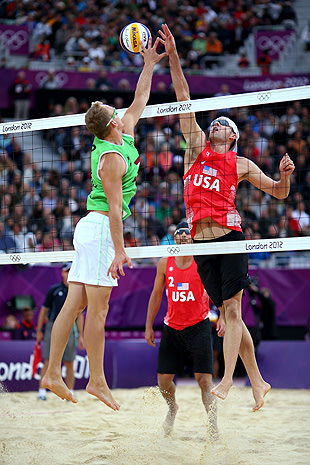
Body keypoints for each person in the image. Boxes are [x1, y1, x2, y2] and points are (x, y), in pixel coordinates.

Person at [159, 24, 295, 410]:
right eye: (214, 121)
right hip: (201, 243)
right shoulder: (195, 148)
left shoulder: (240, 163)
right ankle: (259, 381)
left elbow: (279, 193)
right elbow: (183, 96)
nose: (215, 124)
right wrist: (173, 56)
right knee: (229, 313)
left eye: (223, 124)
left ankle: (227, 380)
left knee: (232, 311)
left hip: (230, 236)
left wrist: (284, 177)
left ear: (232, 136)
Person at [42, 37, 167, 410]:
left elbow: (141, 100)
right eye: (116, 108)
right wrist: (121, 250)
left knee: (75, 304)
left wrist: (149, 64)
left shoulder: (123, 132)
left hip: (92, 228)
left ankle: (51, 373)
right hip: (99, 230)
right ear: (112, 121)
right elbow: (115, 209)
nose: (122, 109)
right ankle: (96, 380)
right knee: (97, 311)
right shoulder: (112, 156)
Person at [145, 221, 225, 437]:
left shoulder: (202, 262)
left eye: (186, 233)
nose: (182, 236)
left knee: (204, 380)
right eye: (178, 233)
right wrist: (148, 325)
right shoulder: (165, 262)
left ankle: (212, 426)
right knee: (163, 381)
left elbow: (217, 290)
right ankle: (172, 407)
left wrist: (224, 316)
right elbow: (155, 295)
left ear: (193, 237)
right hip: (172, 328)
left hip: (198, 326)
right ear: (174, 238)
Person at [36, 263, 85, 401]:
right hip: (52, 327)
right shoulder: (54, 289)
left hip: (70, 328)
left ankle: (70, 391)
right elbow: (44, 311)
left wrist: (81, 335)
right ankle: (42, 392)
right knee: (47, 361)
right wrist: (39, 330)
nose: (69, 273)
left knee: (69, 362)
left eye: (71, 270)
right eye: (66, 271)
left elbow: (80, 315)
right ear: (62, 273)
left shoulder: (78, 291)